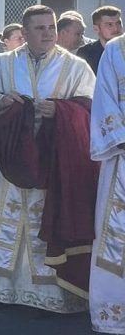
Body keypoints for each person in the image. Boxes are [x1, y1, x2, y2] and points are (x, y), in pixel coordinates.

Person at [0, 5, 97, 313]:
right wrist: (2, 102)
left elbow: (91, 108)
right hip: (12, 163)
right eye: (39, 28)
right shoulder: (2, 64)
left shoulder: (77, 67)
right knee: (7, 216)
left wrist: (61, 112)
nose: (48, 33)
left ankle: (51, 294)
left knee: (47, 219)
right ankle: (4, 288)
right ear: (24, 33)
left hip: (55, 164)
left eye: (51, 27)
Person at [89, 33, 125, 334]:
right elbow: (104, 99)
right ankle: (114, 313)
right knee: (116, 237)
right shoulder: (116, 49)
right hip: (123, 158)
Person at [77, 6, 123, 75]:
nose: (116, 28)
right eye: (109, 24)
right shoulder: (86, 53)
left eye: (118, 23)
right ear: (96, 29)